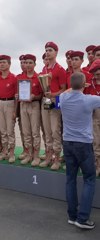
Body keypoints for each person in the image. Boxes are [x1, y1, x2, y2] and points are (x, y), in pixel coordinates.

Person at [60, 72, 100, 230]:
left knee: (70, 179)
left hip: (67, 143)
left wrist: (77, 85)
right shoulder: (89, 100)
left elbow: (66, 92)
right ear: (84, 84)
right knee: (89, 179)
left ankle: (72, 216)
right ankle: (82, 218)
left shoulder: (63, 98)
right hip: (83, 145)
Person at [40, 42, 66, 170]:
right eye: (46, 50)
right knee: (47, 129)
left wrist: (53, 94)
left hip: (56, 100)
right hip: (46, 101)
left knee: (55, 130)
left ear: (56, 52)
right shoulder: (44, 68)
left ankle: (57, 159)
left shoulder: (60, 69)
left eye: (50, 50)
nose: (48, 52)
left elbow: (64, 89)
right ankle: (48, 157)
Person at [17, 54, 42, 166]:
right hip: (23, 105)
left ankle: (36, 157)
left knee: (35, 132)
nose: (27, 65)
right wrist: (17, 96)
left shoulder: (39, 77)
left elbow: (42, 95)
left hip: (34, 105)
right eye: (26, 62)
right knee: (26, 132)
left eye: (30, 62)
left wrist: (34, 96)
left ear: (35, 64)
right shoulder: (21, 78)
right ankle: (29, 155)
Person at [0, 55, 16, 163]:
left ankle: (11, 153)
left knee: (10, 131)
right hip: (0, 103)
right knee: (2, 130)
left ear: (9, 64)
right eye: (0, 62)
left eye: (4, 62)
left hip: (10, 103)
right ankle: (4, 152)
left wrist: (15, 111)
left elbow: (17, 96)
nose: (1, 64)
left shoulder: (13, 78)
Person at [88, 59, 100, 176]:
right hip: (94, 117)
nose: (98, 72)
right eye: (96, 70)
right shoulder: (89, 84)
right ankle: (97, 165)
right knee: (95, 142)